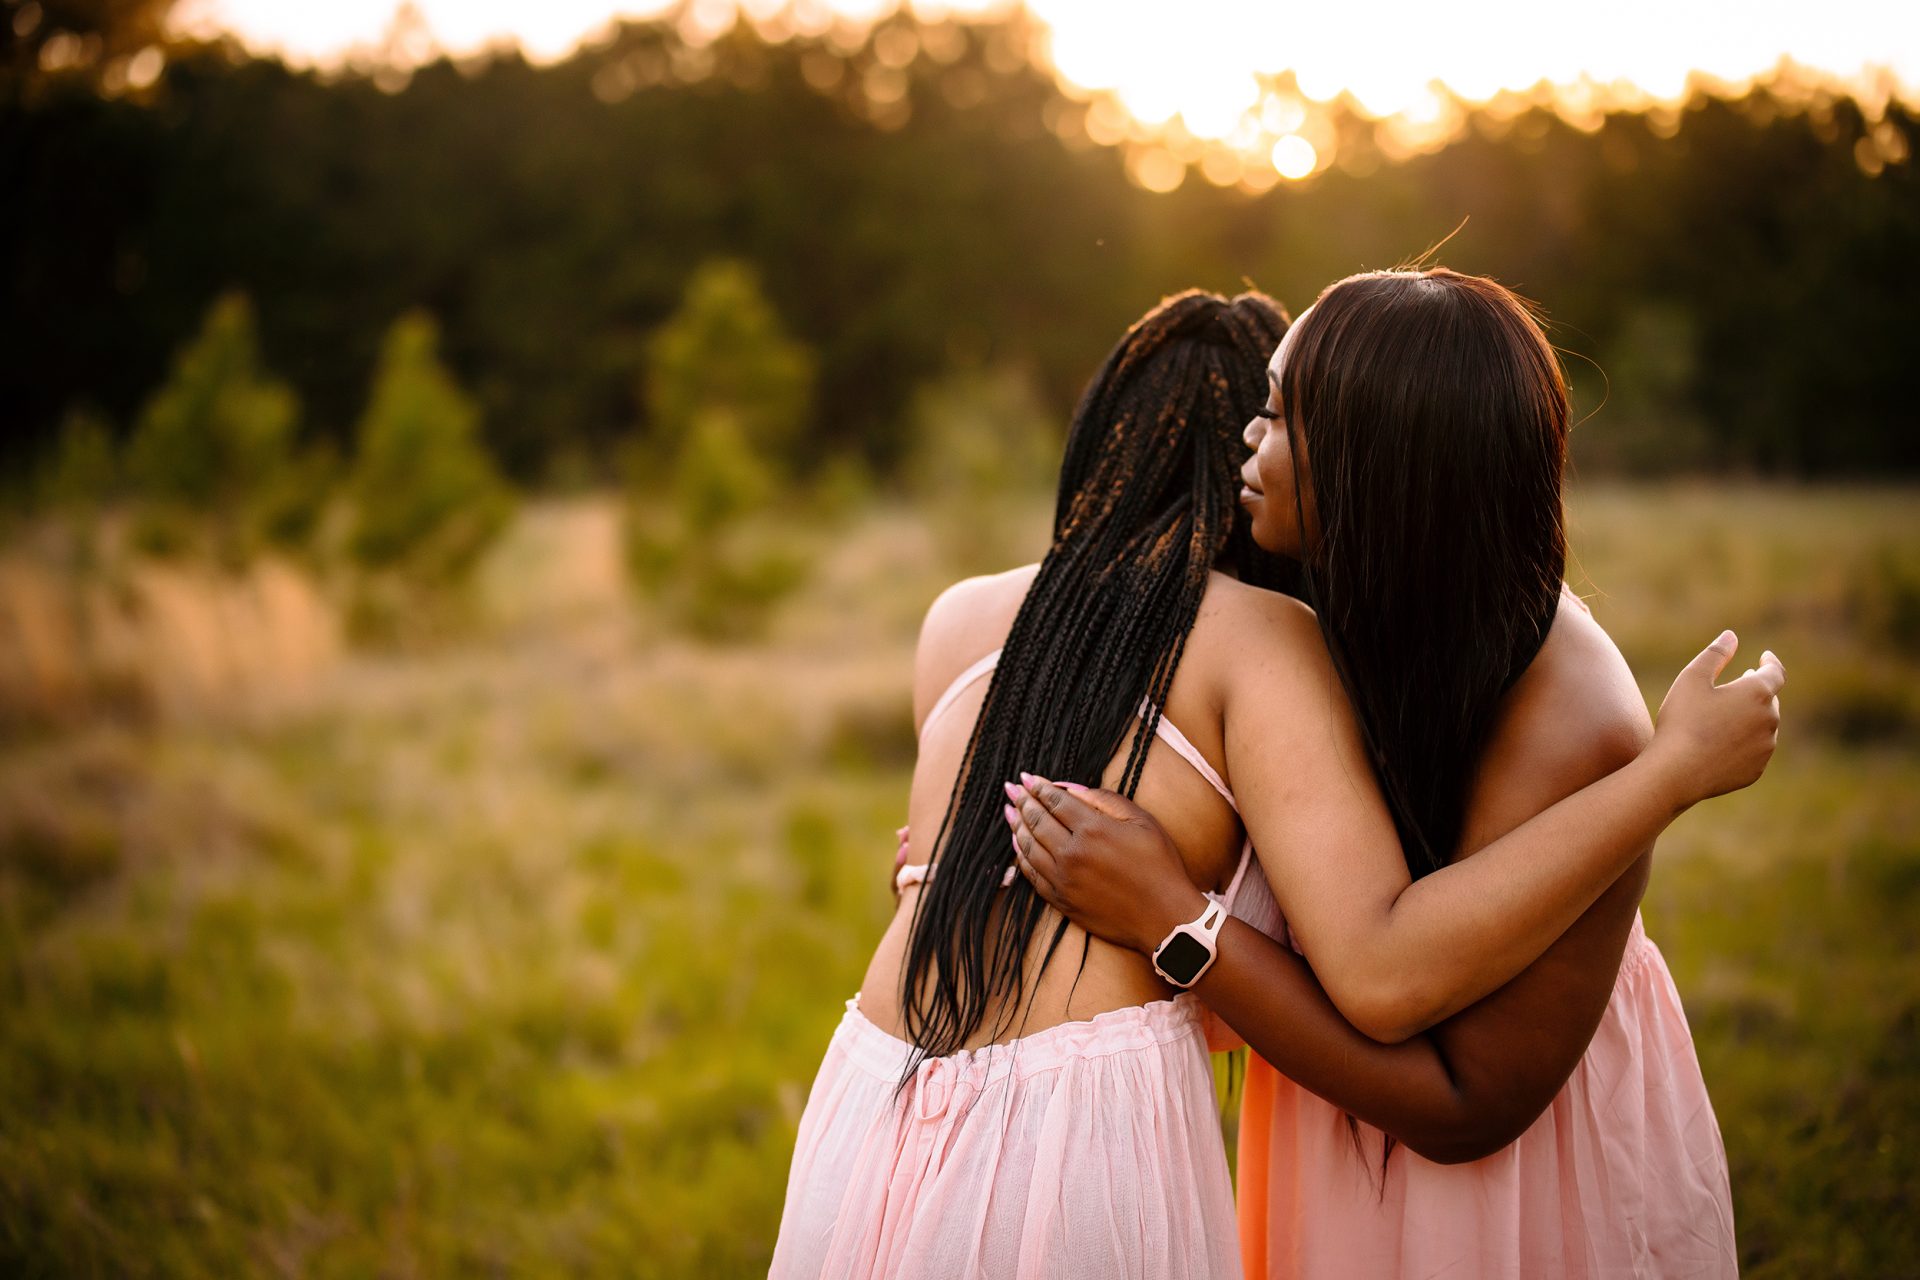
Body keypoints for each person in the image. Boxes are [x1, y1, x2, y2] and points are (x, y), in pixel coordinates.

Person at [770, 284, 1779, 1280]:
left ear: (1373, 459)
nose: (1247, 443)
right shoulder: (1320, 631)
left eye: (1278, 412)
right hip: (1334, 1141)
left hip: (1501, 1176)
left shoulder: (1553, 701)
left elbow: (1444, 1062)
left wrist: (1174, 914)